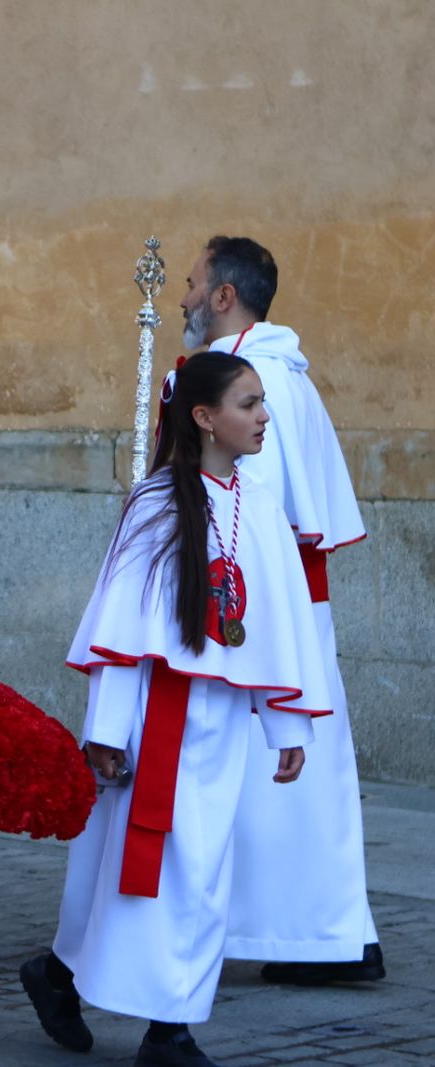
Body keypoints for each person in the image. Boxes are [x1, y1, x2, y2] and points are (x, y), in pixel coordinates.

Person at [21, 352, 331, 1066]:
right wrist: (103, 727)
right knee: (148, 869)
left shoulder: (258, 505)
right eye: (249, 404)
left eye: (261, 402)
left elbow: (277, 623)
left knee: (192, 868)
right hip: (151, 717)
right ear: (204, 417)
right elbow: (122, 629)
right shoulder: (159, 502)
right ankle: (169, 1032)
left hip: (219, 723)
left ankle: (62, 975)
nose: (264, 416)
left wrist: (286, 722)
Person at [181, 236, 383, 985]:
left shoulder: (249, 378)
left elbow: (242, 511)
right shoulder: (283, 369)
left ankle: (314, 933)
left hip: (255, 604)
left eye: (195, 283)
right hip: (286, 600)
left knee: (271, 771)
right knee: (301, 777)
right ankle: (325, 931)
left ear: (225, 296)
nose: (184, 297)